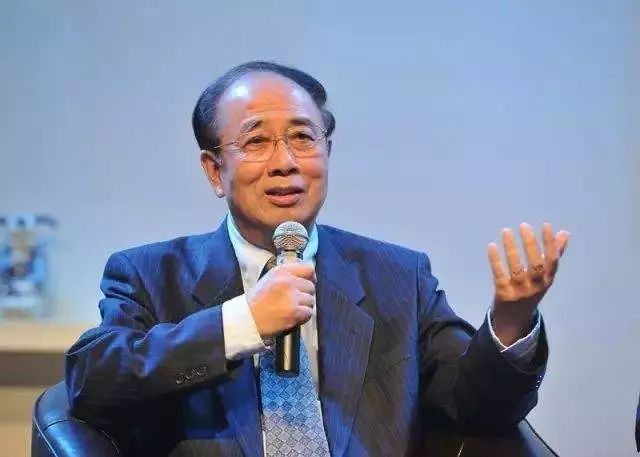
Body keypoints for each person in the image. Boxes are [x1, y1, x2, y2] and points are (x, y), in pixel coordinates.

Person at [65, 61, 570, 457]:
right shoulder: (151, 275)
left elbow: (476, 407)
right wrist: (243, 322)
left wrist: (510, 322)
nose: (285, 162)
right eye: (256, 141)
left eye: (304, 138)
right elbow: (95, 381)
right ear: (215, 170)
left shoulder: (399, 277)